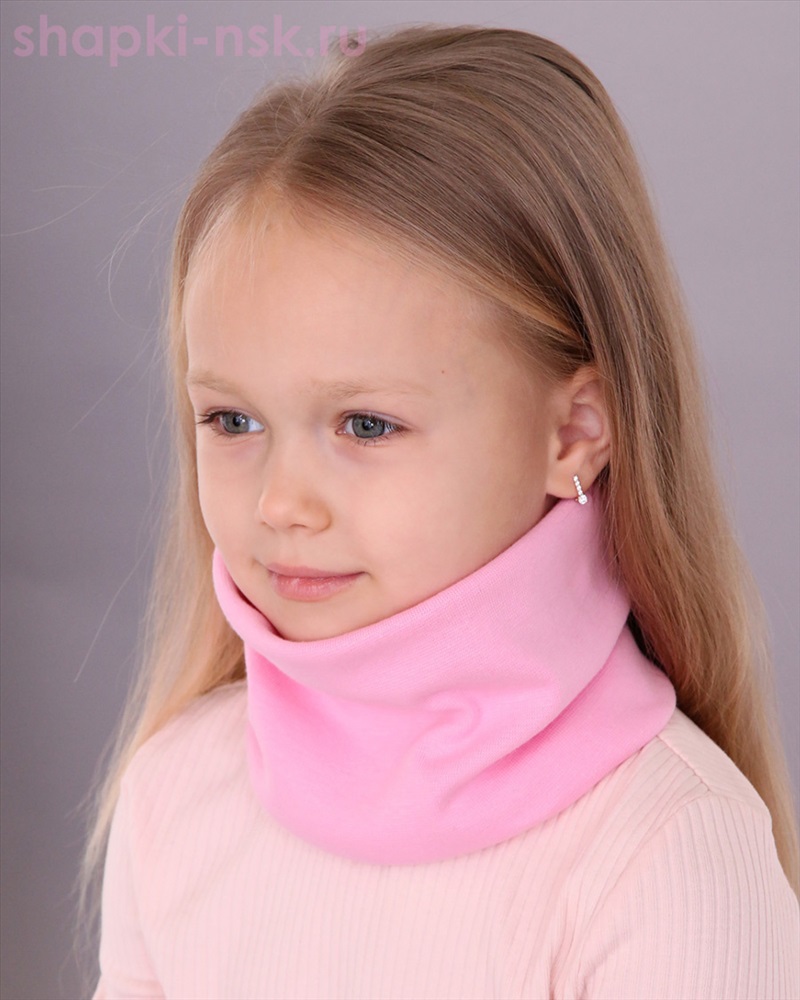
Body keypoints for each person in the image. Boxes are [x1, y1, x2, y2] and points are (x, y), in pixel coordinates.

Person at [84, 24, 800, 999]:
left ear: (572, 431)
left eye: (366, 424)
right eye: (233, 419)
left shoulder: (666, 852)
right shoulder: (172, 795)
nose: (280, 503)